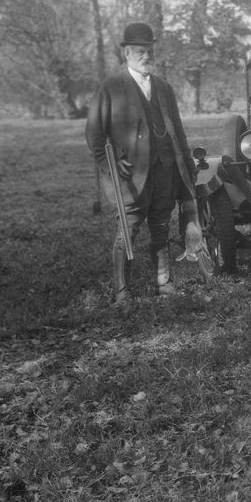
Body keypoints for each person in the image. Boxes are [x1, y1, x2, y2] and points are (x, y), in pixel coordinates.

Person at [85, 22, 197, 302]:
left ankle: (164, 282)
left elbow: (178, 131)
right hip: (130, 175)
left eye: (149, 51)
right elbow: (94, 133)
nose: (146, 56)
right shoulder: (111, 87)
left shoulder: (164, 88)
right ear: (127, 53)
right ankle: (122, 290)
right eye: (140, 51)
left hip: (165, 170)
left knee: (161, 226)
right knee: (127, 230)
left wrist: (186, 167)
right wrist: (109, 164)